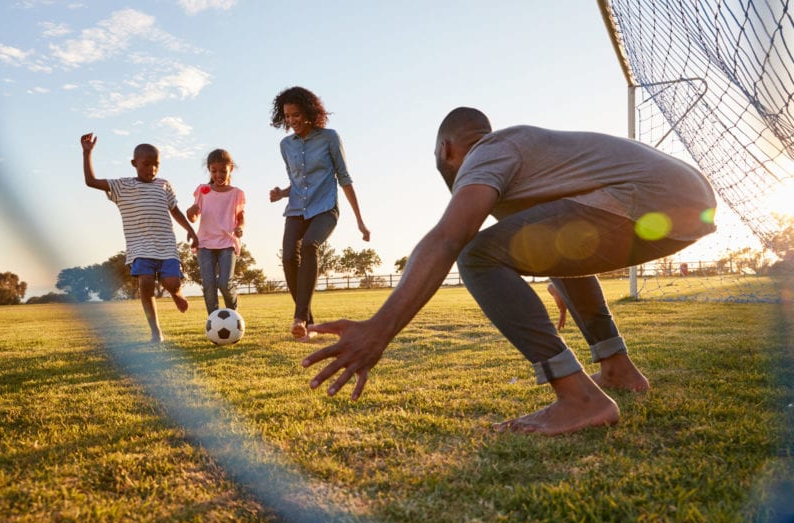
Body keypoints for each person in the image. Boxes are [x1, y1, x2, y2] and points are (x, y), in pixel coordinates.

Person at [301, 107, 717, 436]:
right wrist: (560, 272)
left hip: (652, 197)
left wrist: (379, 329)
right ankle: (618, 370)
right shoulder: (523, 160)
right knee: (531, 249)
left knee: (476, 255)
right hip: (686, 203)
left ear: (447, 149)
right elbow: (563, 235)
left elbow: (449, 237)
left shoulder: (490, 150)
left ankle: (580, 400)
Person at [269, 86, 371, 341]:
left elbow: (344, 178)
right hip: (296, 209)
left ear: (309, 113)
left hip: (325, 208)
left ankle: (299, 317)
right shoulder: (286, 145)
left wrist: (359, 220)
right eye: (287, 116)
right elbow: (299, 182)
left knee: (310, 246)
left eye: (296, 115)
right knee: (289, 256)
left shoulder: (329, 138)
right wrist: (281, 193)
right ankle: (307, 322)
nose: (291, 121)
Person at [80, 132, 198, 343]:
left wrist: (190, 230)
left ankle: (177, 293)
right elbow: (90, 181)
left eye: (156, 164)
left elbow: (175, 210)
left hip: (166, 246)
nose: (152, 169)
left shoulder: (164, 185)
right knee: (145, 283)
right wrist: (87, 153)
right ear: (134, 163)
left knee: (171, 282)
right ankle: (155, 331)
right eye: (146, 164)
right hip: (140, 247)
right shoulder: (122, 186)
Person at [186, 149, 246, 317]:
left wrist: (240, 227)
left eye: (223, 171)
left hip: (228, 243)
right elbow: (193, 217)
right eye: (214, 171)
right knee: (209, 284)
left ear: (231, 169)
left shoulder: (236, 194)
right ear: (209, 169)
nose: (218, 174)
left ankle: (233, 317)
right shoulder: (203, 190)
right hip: (205, 243)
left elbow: (241, 217)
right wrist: (191, 211)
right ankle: (214, 319)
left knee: (225, 283)